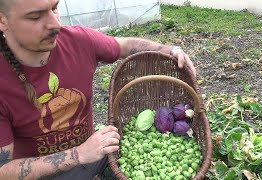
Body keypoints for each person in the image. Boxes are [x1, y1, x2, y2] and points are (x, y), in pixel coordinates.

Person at [0, 0, 196, 179]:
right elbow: (3, 170)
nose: (55, 25)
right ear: (2, 20)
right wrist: (78, 154)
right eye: (35, 16)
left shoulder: (77, 41)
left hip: (95, 154)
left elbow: (126, 45)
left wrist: (171, 50)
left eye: (55, 8)